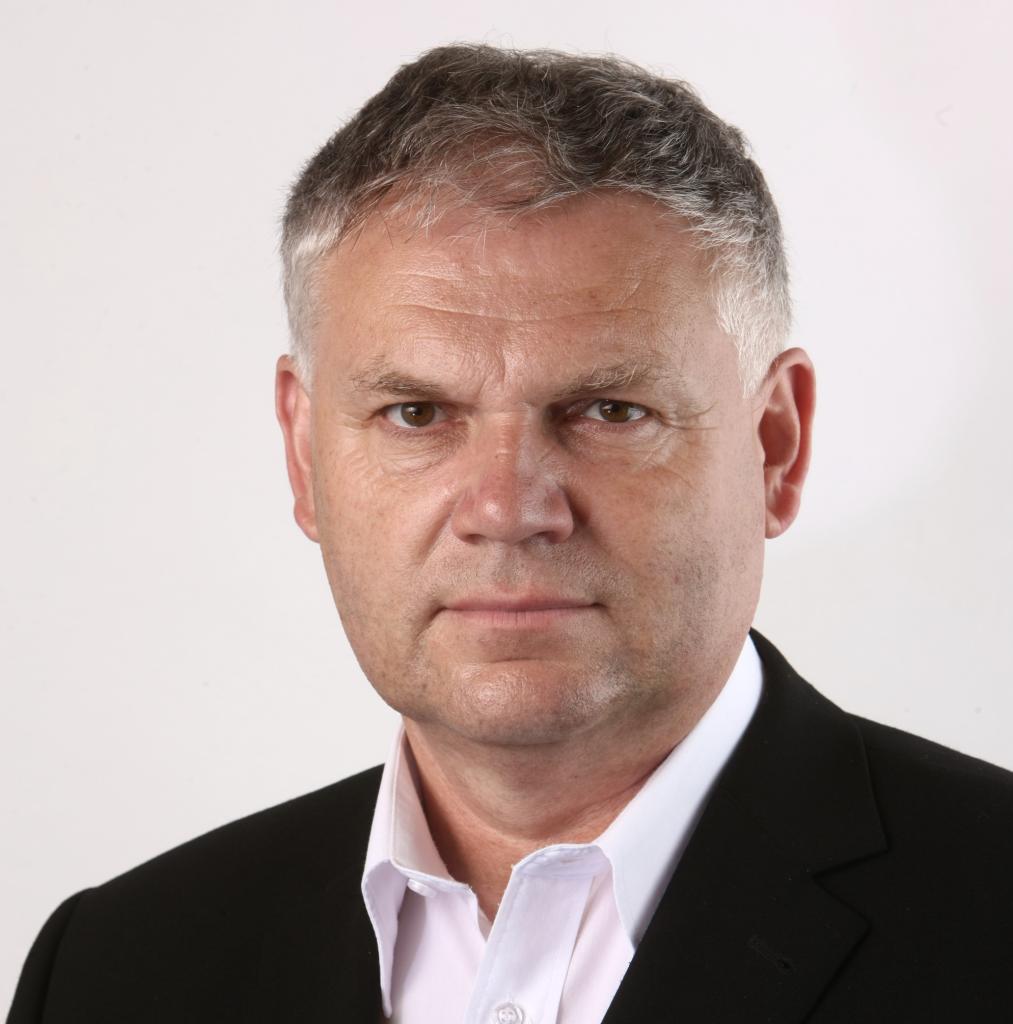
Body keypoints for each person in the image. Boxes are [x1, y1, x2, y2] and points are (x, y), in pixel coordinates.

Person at [8, 43, 1013, 1024]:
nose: (505, 507)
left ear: (773, 447)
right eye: (415, 414)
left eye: (609, 410)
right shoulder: (114, 971)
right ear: (304, 454)